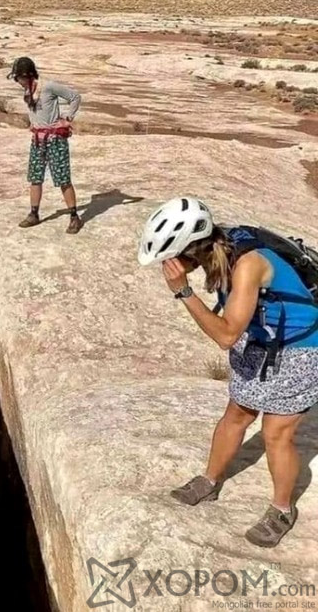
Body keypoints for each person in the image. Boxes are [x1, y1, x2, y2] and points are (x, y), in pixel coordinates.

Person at [138, 196, 318, 548]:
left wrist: (184, 293)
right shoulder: (221, 247)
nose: (169, 265)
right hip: (261, 340)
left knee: (276, 434)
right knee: (236, 413)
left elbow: (225, 334)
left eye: (170, 256)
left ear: (191, 249)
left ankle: (282, 509)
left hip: (300, 348)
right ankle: (209, 480)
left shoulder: (246, 265)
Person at [8, 56, 83, 234]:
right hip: (38, 140)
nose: (17, 81)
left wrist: (67, 119)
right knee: (35, 177)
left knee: (63, 178)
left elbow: (75, 97)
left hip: (55, 140)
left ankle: (74, 217)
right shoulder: (28, 91)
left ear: (27, 75)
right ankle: (34, 214)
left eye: (18, 77)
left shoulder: (48, 87)